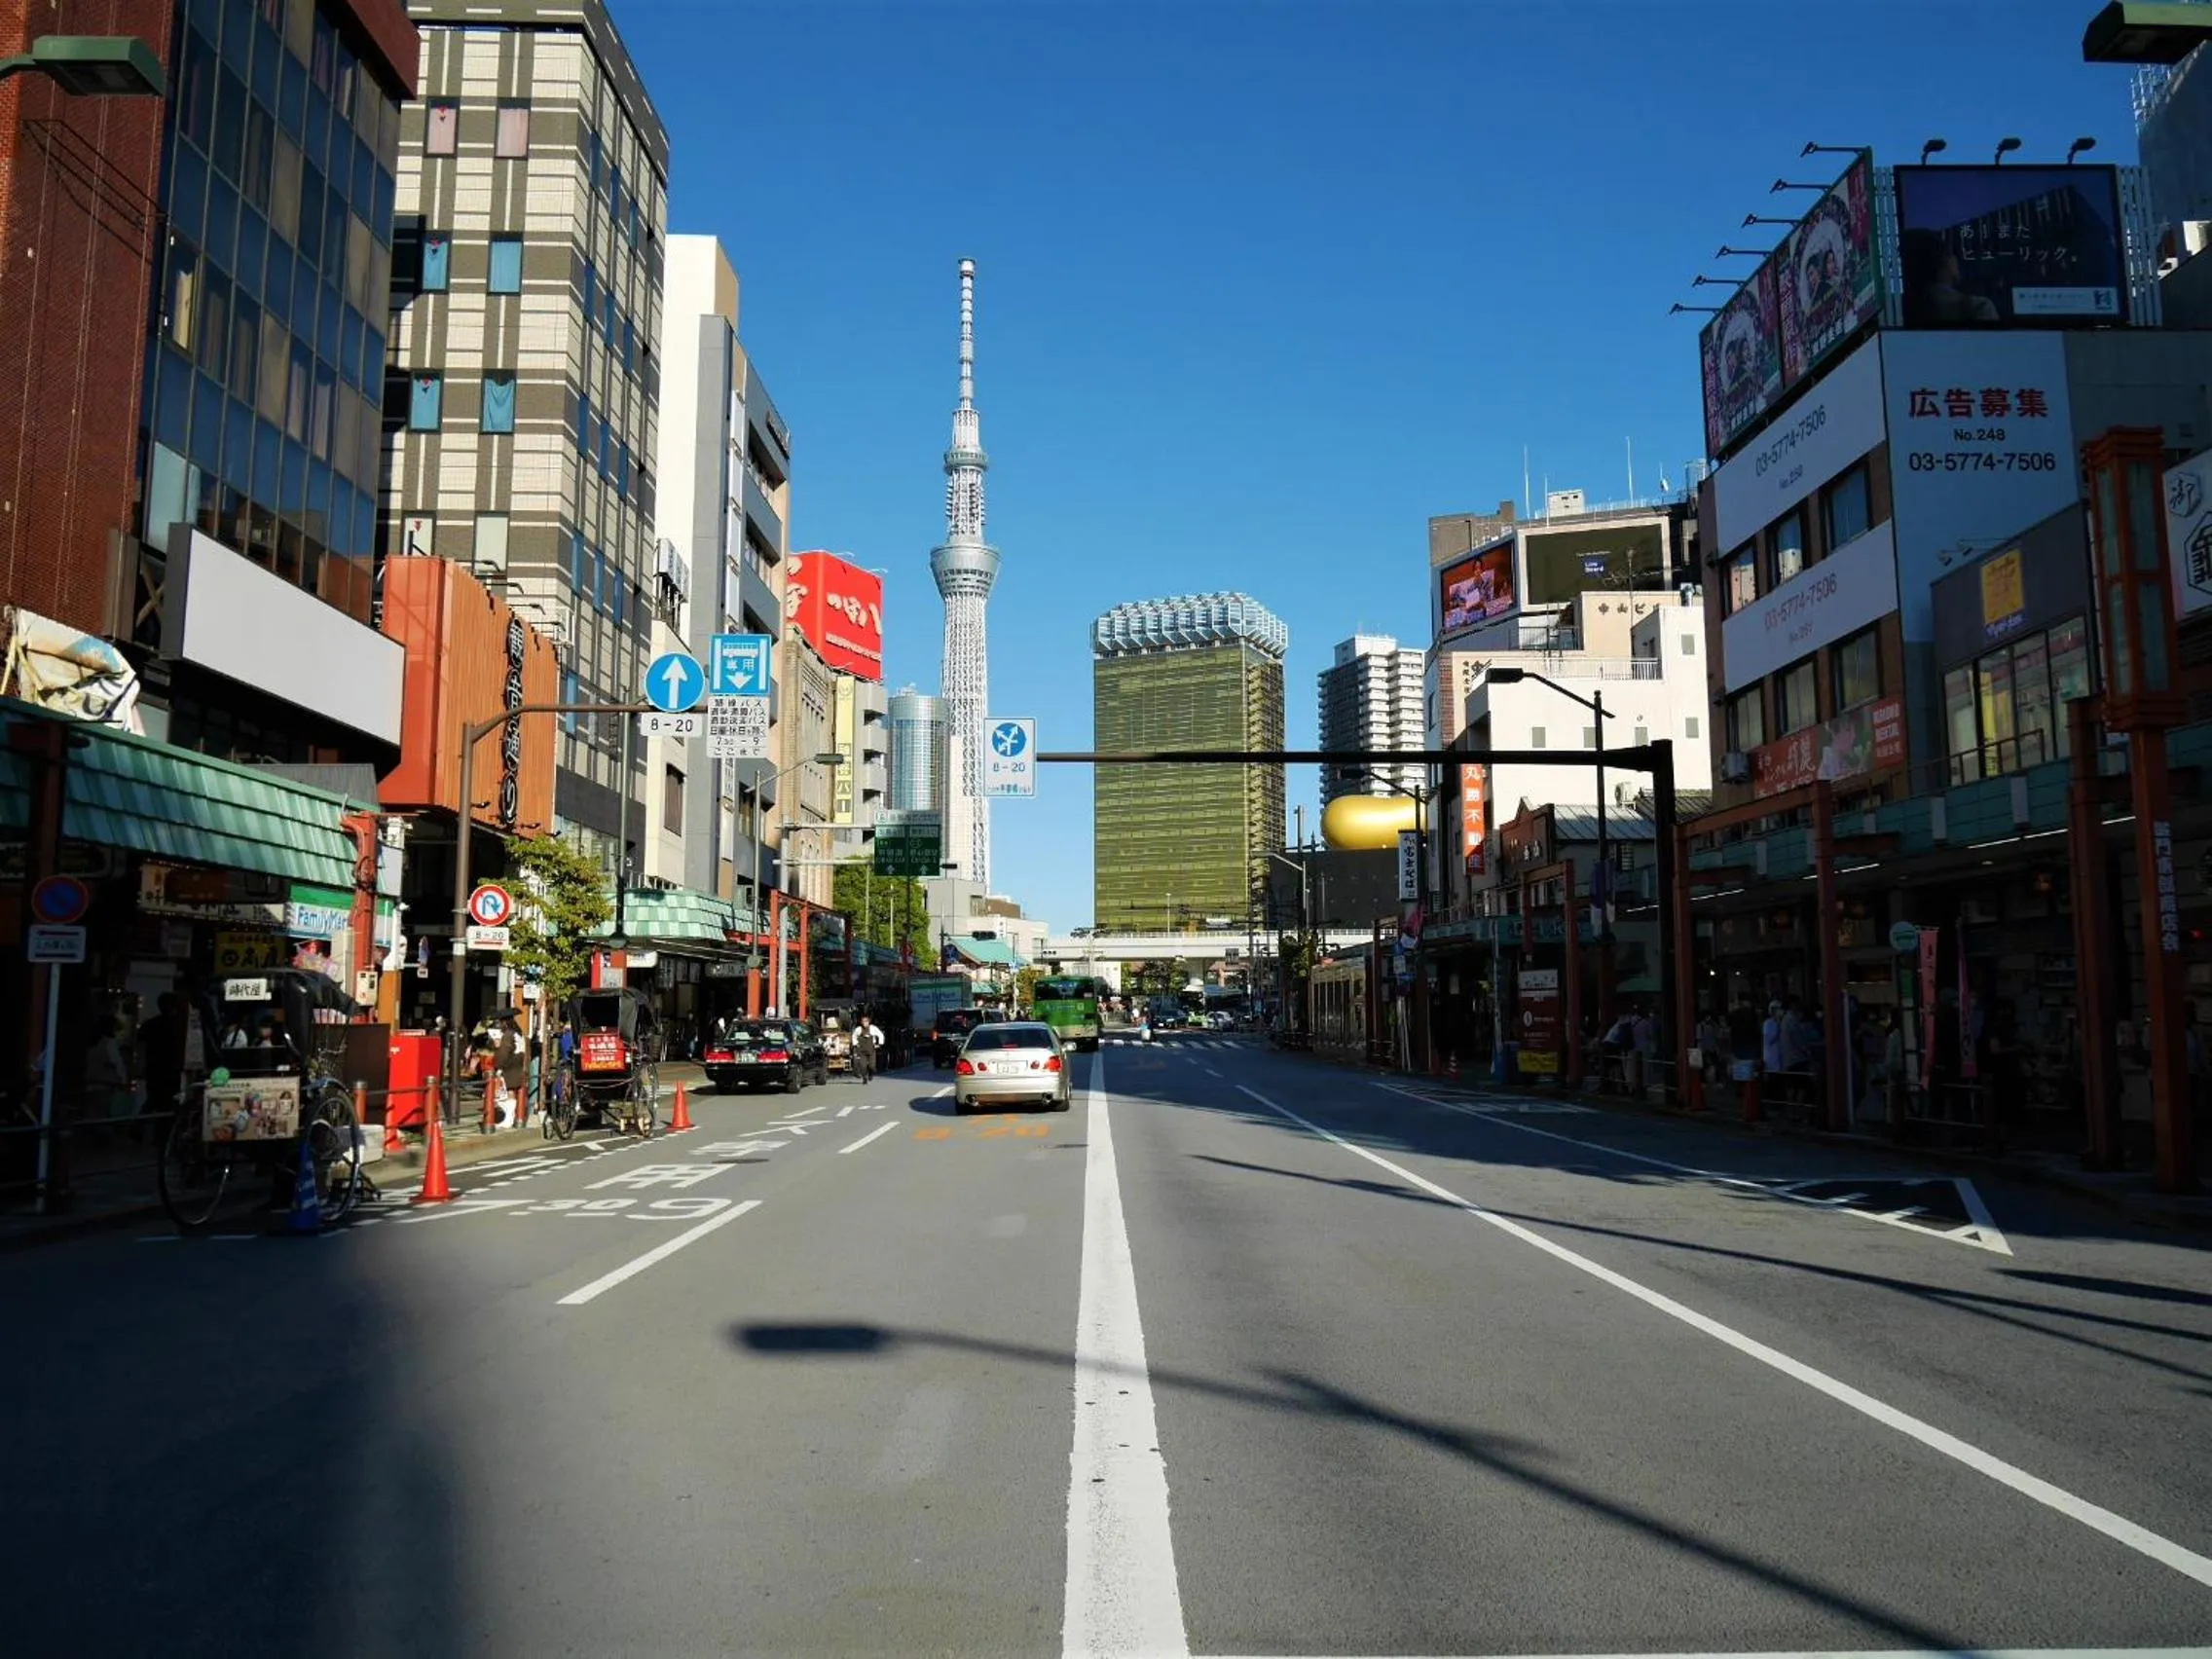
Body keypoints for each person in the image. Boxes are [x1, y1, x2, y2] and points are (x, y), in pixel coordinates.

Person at [852, 1014, 880, 1085]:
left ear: (869, 1022)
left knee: (872, 1066)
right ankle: (864, 1078)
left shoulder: (873, 1028)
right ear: (861, 1022)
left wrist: (879, 1044)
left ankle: (871, 1073)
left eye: (866, 1021)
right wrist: (855, 1044)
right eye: (863, 1021)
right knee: (863, 1066)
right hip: (862, 1051)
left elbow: (880, 1035)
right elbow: (854, 1036)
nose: (865, 1023)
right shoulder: (858, 1029)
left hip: (871, 1050)